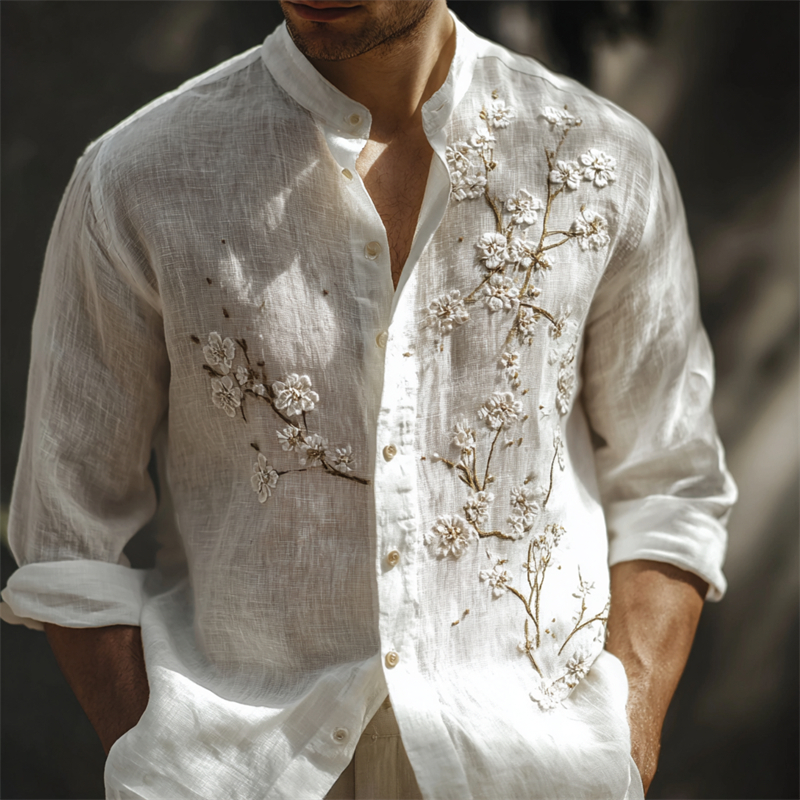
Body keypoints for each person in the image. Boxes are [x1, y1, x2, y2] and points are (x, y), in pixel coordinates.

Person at [1, 1, 737, 798]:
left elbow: (670, 485)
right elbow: (68, 531)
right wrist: (165, 764)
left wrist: (629, 744)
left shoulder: (607, 163)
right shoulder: (140, 176)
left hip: (533, 774)